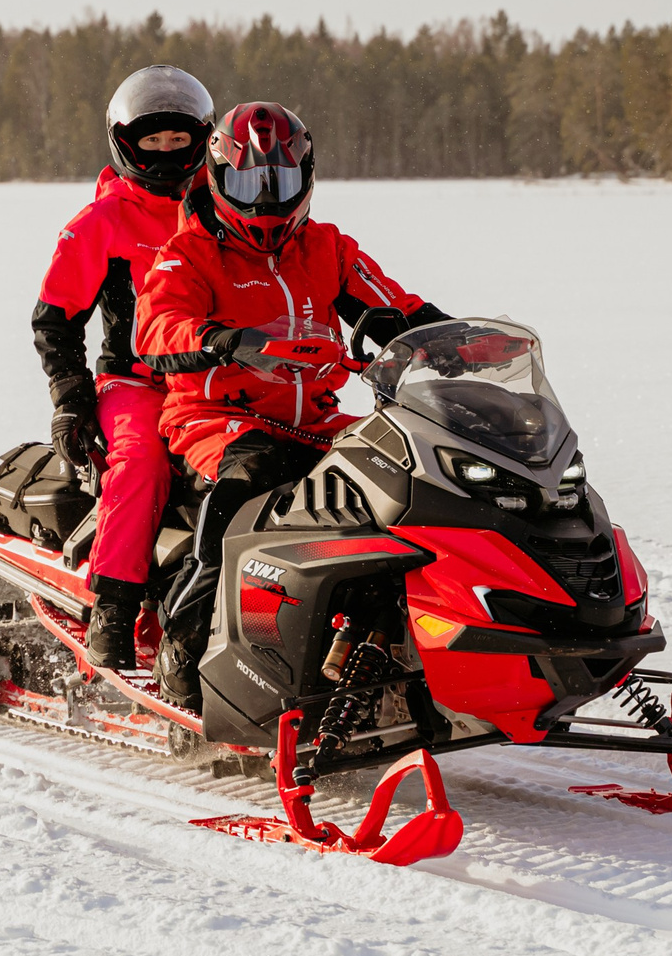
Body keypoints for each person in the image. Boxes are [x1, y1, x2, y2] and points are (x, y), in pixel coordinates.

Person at [134, 102, 448, 704]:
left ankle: (376, 635)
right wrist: (228, 342)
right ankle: (188, 635)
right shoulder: (189, 252)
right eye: (250, 183)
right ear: (220, 179)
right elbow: (156, 330)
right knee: (255, 476)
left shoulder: (326, 248)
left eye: (278, 182)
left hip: (314, 419)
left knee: (404, 473)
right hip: (217, 417)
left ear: (305, 179)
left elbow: (397, 309)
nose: (265, 201)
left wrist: (451, 342)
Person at [32, 65, 216, 667]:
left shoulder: (223, 211)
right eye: (152, 141)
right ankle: (113, 608)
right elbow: (56, 319)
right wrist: (71, 397)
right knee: (142, 463)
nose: (167, 152)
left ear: (202, 140)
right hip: (134, 382)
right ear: (125, 143)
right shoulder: (102, 223)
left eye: (179, 140)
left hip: (214, 382)